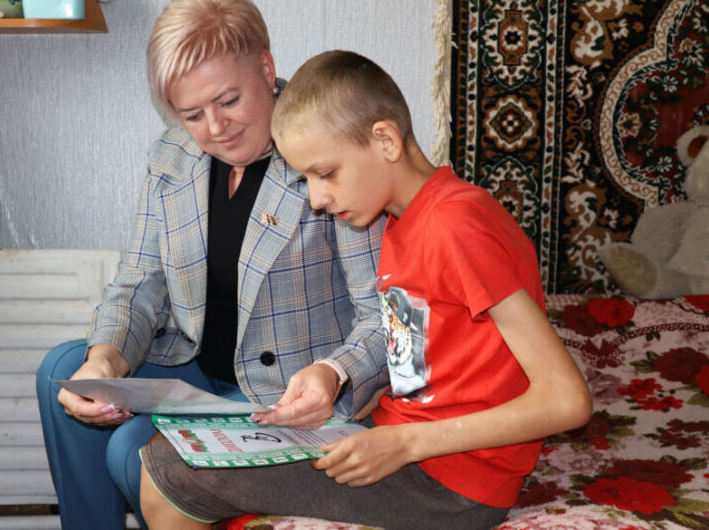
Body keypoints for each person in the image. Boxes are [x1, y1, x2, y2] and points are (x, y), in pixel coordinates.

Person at [137, 50, 593, 530]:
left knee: (171, 469)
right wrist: (339, 396)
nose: (317, 199)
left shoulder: (457, 225)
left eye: (326, 173)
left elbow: (566, 400)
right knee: (188, 444)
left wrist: (403, 443)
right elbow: (427, 370)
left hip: (451, 482)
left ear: (385, 140)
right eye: (306, 179)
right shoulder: (401, 221)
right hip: (409, 442)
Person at [36, 0, 389, 529]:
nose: (215, 127)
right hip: (194, 371)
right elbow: (140, 282)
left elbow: (383, 315)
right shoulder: (171, 157)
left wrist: (337, 374)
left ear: (266, 68)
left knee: (131, 450)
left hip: (286, 392)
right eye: (192, 114)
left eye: (228, 100)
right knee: (64, 373)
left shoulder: (328, 153)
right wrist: (106, 359)